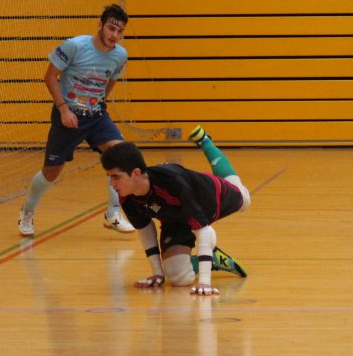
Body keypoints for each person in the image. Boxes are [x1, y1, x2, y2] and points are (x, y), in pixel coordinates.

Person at [18, 4, 135, 237]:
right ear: (100, 25)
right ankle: (27, 210)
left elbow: (110, 80)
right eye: (111, 28)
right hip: (68, 115)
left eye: (120, 32)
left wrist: (99, 102)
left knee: (121, 156)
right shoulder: (75, 46)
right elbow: (50, 77)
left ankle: (112, 213)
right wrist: (63, 110)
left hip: (96, 115)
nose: (115, 35)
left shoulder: (120, 55)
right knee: (51, 172)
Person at [101, 127, 249, 296]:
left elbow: (204, 230)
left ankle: (205, 142)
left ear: (135, 173)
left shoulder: (173, 184)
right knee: (179, 278)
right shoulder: (127, 197)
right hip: (175, 219)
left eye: (115, 177)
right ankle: (214, 259)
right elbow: (145, 229)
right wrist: (158, 272)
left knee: (245, 200)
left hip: (210, 198)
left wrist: (204, 283)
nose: (112, 184)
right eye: (109, 177)